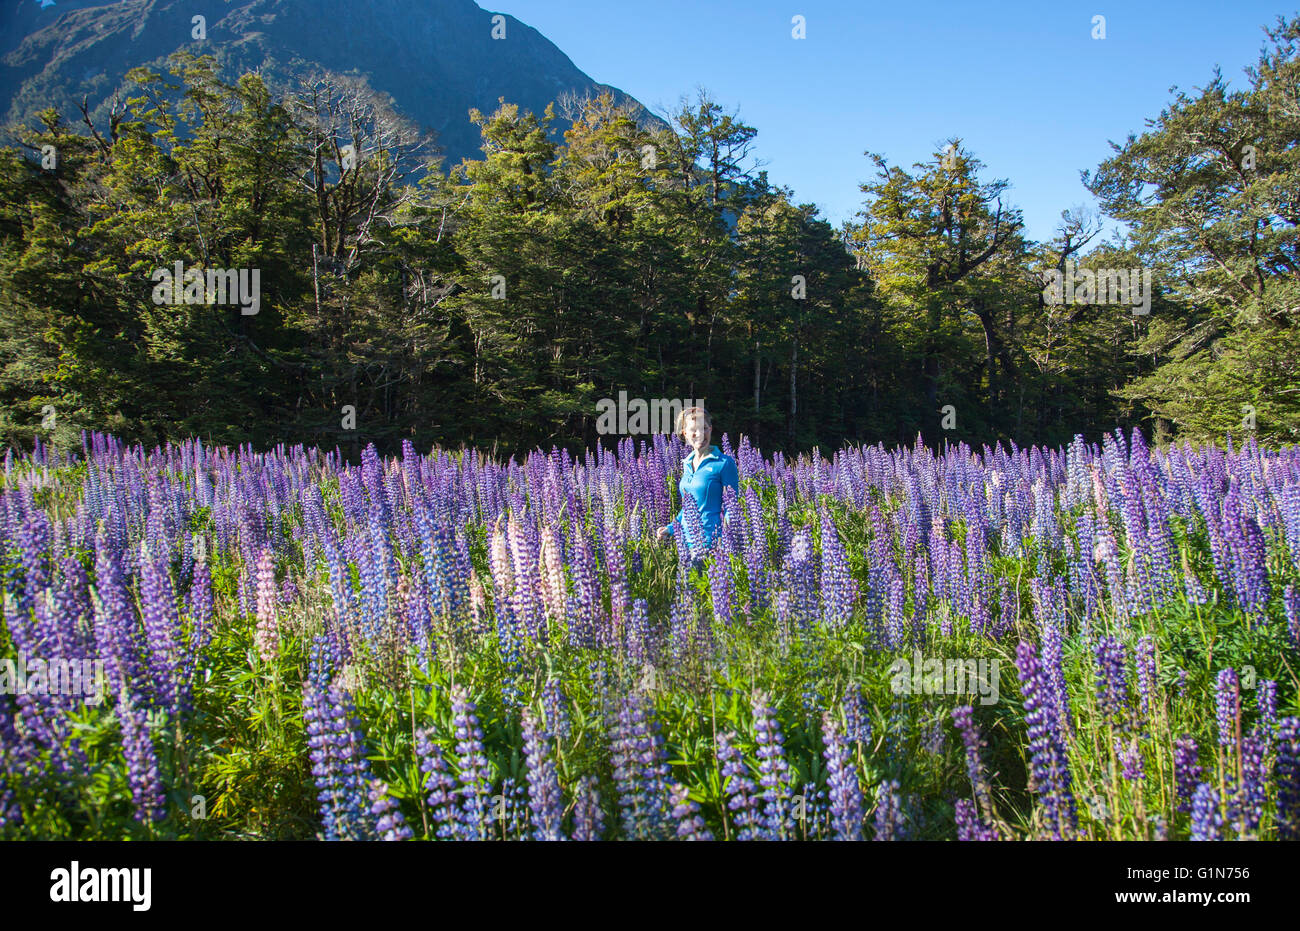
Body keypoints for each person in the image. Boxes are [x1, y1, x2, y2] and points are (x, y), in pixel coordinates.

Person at [656, 406, 738, 550]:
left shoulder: (724, 463)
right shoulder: (687, 463)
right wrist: (670, 528)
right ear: (685, 433)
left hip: (712, 545)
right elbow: (689, 509)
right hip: (685, 546)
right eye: (694, 430)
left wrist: (725, 544)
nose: (700, 434)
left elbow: (732, 508)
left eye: (704, 428)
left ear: (710, 429)